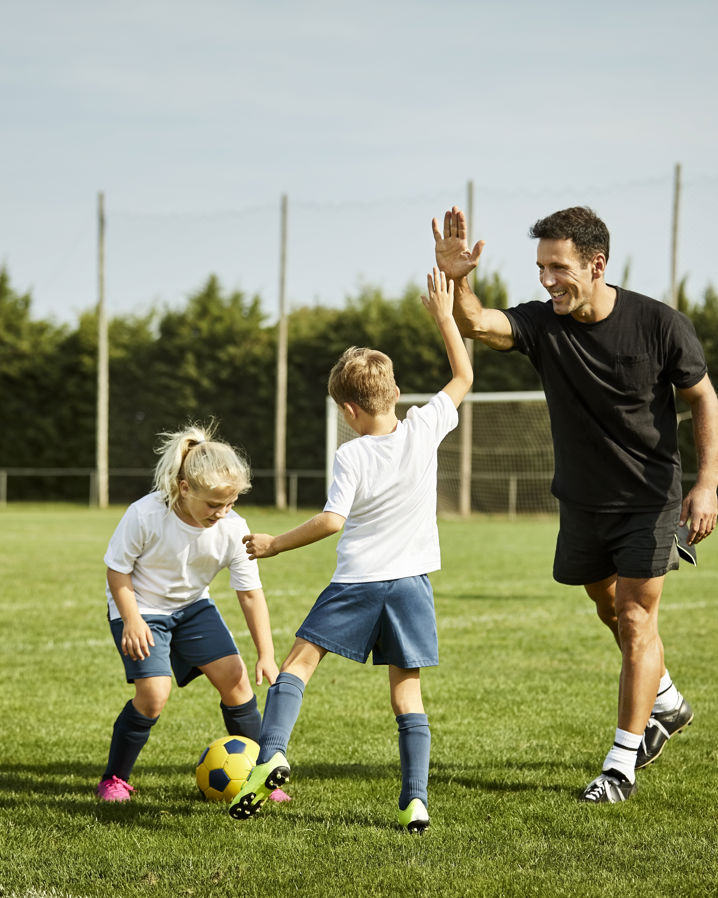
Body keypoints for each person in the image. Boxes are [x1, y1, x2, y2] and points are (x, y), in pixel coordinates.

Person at [431, 205, 718, 803]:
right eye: (540, 267)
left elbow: (702, 398)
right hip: (583, 502)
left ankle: (620, 766)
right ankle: (665, 700)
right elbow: (479, 322)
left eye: (557, 267)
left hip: (649, 498)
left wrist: (707, 482)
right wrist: (458, 277)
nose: (546, 279)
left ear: (596, 264)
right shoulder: (544, 324)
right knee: (607, 604)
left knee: (639, 619)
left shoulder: (660, 324)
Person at [227, 268, 473, 831]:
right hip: (412, 584)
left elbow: (333, 521)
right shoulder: (424, 427)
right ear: (393, 394)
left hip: (359, 580)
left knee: (298, 663)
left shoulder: (351, 455)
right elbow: (464, 373)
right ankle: (416, 801)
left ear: (350, 411)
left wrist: (274, 545)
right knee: (406, 694)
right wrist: (443, 314)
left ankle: (272, 756)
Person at [97, 422, 289, 803]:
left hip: (192, 607)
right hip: (141, 607)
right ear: (184, 488)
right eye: (214, 504)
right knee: (153, 695)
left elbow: (251, 594)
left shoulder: (235, 529)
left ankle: (260, 777)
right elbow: (117, 570)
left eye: (230, 503)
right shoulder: (146, 514)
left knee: (236, 681)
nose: (222, 513)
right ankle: (114, 779)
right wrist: (132, 619)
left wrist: (266, 653)